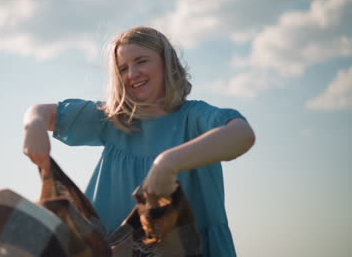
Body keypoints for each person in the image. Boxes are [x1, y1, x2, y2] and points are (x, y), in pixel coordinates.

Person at [23, 26, 255, 256]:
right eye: (123, 68)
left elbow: (243, 134)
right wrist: (33, 125)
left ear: (168, 63)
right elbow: (40, 112)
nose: (132, 74)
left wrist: (168, 163)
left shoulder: (194, 117)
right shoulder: (112, 119)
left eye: (141, 61)